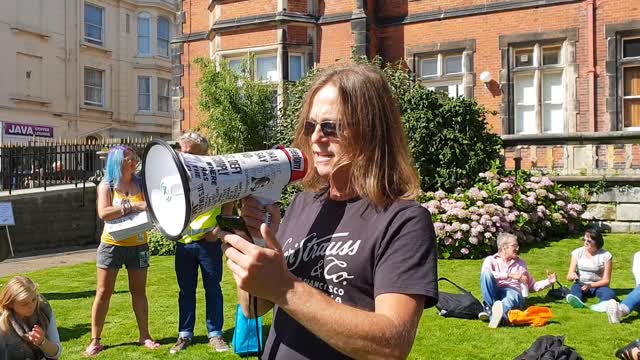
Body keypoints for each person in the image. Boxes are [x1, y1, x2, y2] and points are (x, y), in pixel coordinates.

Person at [218, 64, 438, 359]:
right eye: (310, 126)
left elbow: (392, 344)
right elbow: (254, 307)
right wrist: (255, 250)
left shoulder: (404, 221)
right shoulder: (303, 204)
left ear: (371, 130)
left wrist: (286, 288)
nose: (315, 138)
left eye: (330, 127)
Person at [85, 145, 160, 356]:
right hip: (112, 246)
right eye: (128, 159)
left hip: (138, 245)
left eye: (134, 158)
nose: (133, 161)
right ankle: (95, 340)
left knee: (139, 292)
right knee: (103, 292)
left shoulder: (141, 184)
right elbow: (104, 213)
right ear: (118, 162)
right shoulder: (107, 186)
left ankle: (145, 335)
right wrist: (134, 207)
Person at [169, 132, 229, 354]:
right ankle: (184, 334)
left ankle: (215, 335)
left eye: (190, 153)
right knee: (186, 291)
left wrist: (218, 230)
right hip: (184, 242)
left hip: (208, 243)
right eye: (183, 152)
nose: (185, 157)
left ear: (205, 153)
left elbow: (229, 200)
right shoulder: (176, 174)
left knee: (213, 288)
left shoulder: (218, 174)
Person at [478, 233, 557, 328]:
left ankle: (498, 315)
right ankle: (490, 309)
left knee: (510, 297)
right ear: (504, 247)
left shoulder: (521, 263)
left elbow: (532, 286)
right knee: (486, 274)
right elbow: (486, 274)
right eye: (514, 246)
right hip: (495, 291)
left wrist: (548, 282)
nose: (517, 248)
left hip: (513, 291)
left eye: (517, 246)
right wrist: (509, 275)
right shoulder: (490, 260)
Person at [0, 276, 62, 359]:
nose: (31, 306)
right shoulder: (2, 322)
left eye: (34, 300)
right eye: (24, 304)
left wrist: (42, 342)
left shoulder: (43, 310)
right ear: (10, 303)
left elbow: (56, 353)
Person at [565, 228, 614, 308]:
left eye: (589, 241)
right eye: (584, 240)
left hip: (598, 285)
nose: (585, 243)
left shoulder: (606, 255)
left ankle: (602, 305)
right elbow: (569, 275)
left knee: (609, 293)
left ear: (597, 242)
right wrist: (572, 276)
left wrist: (590, 286)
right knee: (575, 290)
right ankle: (577, 301)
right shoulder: (577, 252)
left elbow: (606, 281)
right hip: (580, 283)